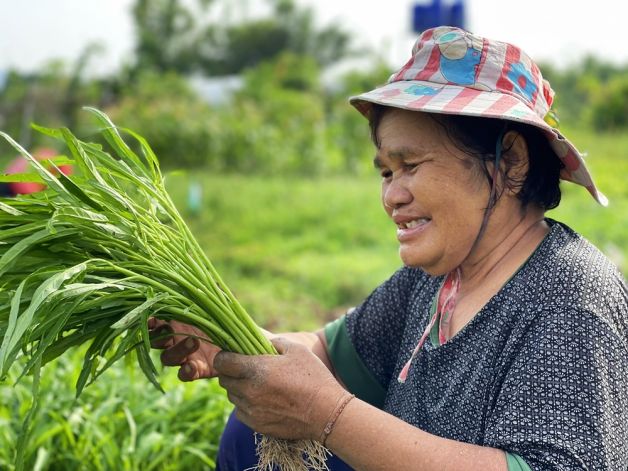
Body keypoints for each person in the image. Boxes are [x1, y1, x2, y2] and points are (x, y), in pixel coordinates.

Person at [149, 26, 628, 470]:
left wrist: (326, 413)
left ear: (511, 162)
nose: (392, 196)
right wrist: (228, 342)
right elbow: (327, 352)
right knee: (249, 434)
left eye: (411, 165)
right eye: (386, 171)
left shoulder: (568, 301)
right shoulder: (439, 279)